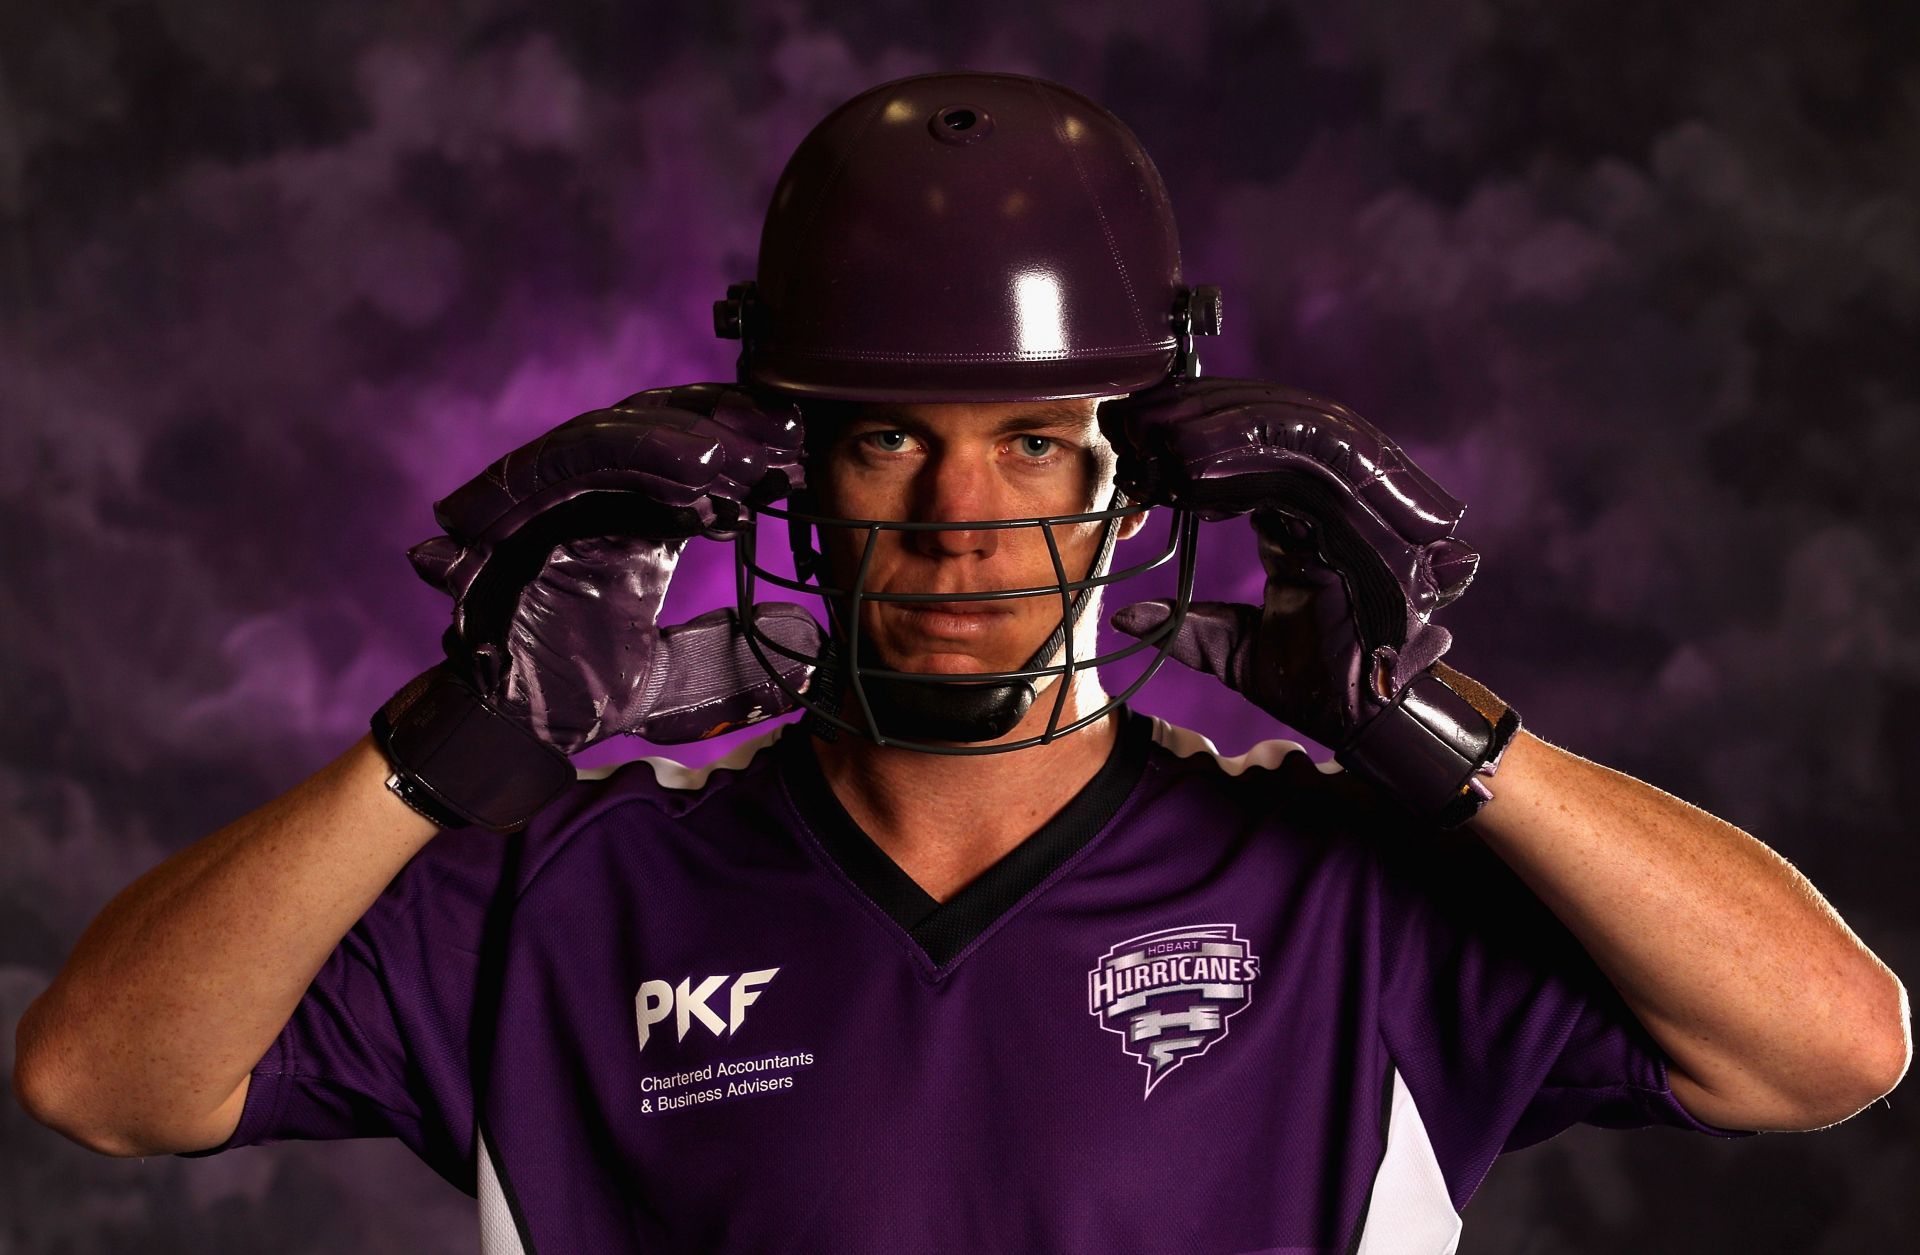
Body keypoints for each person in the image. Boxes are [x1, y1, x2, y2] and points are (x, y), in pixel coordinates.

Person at [13, 71, 1908, 1254]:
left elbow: (1828, 1050)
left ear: (1135, 476)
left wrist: (1439, 730)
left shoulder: (1349, 884)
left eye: (1033, 441)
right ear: (793, 477)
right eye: (883, 437)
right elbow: (107, 1079)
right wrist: (450, 750)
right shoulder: (569, 886)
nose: (959, 512)